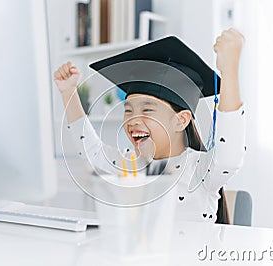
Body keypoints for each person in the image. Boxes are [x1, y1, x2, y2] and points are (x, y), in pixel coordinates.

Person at [54, 29, 246, 224]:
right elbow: (91, 150)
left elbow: (228, 158)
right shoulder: (128, 163)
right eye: (128, 110)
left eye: (147, 110)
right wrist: (69, 92)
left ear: (181, 120)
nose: (133, 120)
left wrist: (229, 71)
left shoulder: (199, 169)